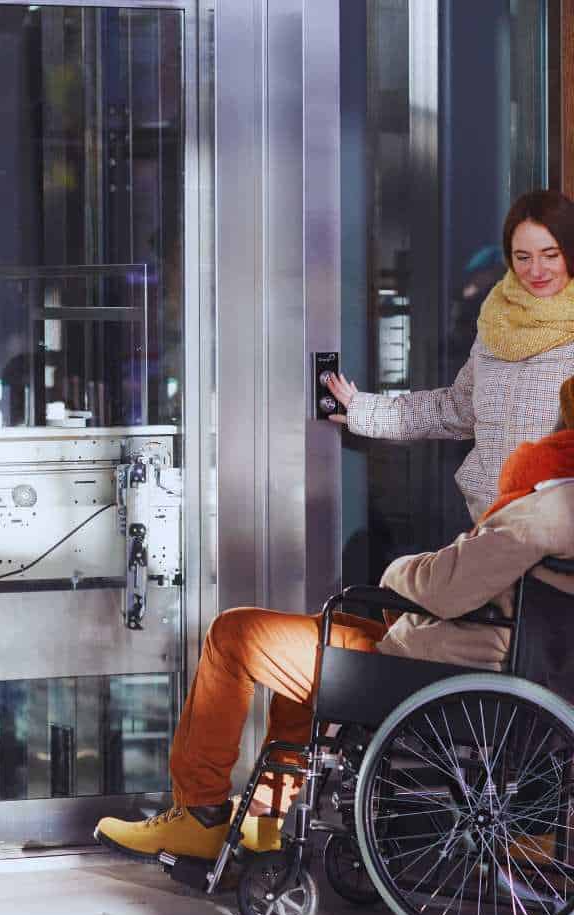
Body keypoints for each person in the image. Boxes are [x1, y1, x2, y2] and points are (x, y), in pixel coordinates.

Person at [94, 378, 574, 863]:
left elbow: (444, 589)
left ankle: (198, 814)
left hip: (446, 670)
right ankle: (266, 815)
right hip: (477, 659)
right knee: (301, 653)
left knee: (233, 635)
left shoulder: (550, 506)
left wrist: (397, 571)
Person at [329, 189, 574, 522]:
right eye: (523, 256)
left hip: (558, 536)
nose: (536, 269)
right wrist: (363, 409)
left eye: (550, 254)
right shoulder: (497, 327)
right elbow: (456, 409)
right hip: (490, 527)